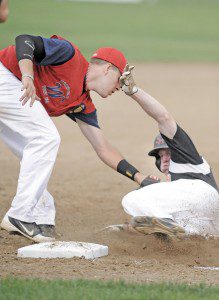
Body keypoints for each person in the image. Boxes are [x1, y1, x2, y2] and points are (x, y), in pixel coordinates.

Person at [0, 35, 148, 243]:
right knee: (46, 138)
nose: (119, 87)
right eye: (119, 80)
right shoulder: (68, 55)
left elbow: (103, 148)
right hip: (6, 76)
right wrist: (28, 76)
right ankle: (20, 215)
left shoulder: (82, 102)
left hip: (14, 94)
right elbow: (24, 41)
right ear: (107, 69)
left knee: (34, 151)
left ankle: (41, 218)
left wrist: (141, 178)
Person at [118, 65, 219, 239]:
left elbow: (163, 117)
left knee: (131, 200)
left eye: (167, 153)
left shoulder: (185, 154)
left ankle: (163, 221)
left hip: (201, 193)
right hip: (208, 217)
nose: (164, 158)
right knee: (186, 233)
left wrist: (133, 91)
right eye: (160, 155)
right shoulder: (174, 186)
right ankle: (169, 229)